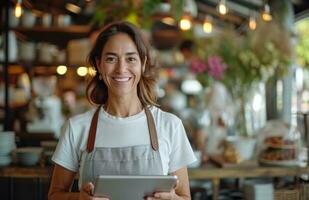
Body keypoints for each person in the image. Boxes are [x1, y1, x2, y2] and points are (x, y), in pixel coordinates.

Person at [48, 21, 196, 200]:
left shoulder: (169, 125)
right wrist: (80, 198)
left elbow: (185, 197)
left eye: (131, 58)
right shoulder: (77, 127)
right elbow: (55, 195)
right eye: (111, 59)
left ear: (143, 63)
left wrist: (173, 199)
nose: (121, 69)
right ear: (99, 65)